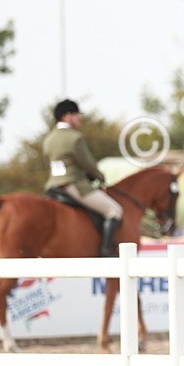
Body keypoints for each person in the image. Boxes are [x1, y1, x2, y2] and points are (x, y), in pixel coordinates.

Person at [43, 99, 123, 256]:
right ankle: (106, 252)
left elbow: (48, 162)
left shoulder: (48, 139)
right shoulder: (75, 138)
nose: (79, 118)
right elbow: (88, 164)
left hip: (52, 185)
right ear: (66, 116)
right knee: (115, 210)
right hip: (74, 185)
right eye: (76, 115)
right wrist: (99, 177)